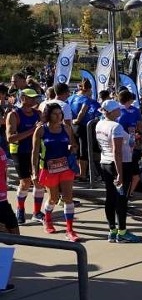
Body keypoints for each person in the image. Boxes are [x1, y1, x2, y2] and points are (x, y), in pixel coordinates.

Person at [31, 103, 79, 241]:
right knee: (53, 198)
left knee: (68, 198)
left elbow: (73, 144)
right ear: (48, 115)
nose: (59, 116)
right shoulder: (40, 130)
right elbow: (34, 153)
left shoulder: (66, 128)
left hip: (65, 168)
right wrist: (34, 172)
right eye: (55, 114)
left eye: (60, 114)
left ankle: (70, 230)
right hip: (48, 169)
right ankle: (48, 219)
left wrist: (72, 149)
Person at [95, 100, 142, 243]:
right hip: (120, 165)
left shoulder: (100, 123)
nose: (120, 111)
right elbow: (117, 152)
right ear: (113, 111)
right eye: (118, 109)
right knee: (122, 199)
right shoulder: (116, 126)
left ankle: (112, 231)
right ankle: (122, 232)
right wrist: (120, 173)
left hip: (105, 163)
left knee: (110, 197)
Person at [6, 89, 44, 225]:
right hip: (19, 152)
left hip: (36, 151)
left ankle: (37, 212)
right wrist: (32, 131)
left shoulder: (38, 114)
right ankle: (20, 210)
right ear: (22, 98)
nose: (34, 101)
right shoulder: (14, 115)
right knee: (25, 182)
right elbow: (10, 138)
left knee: (39, 181)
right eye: (31, 98)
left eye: (35, 98)